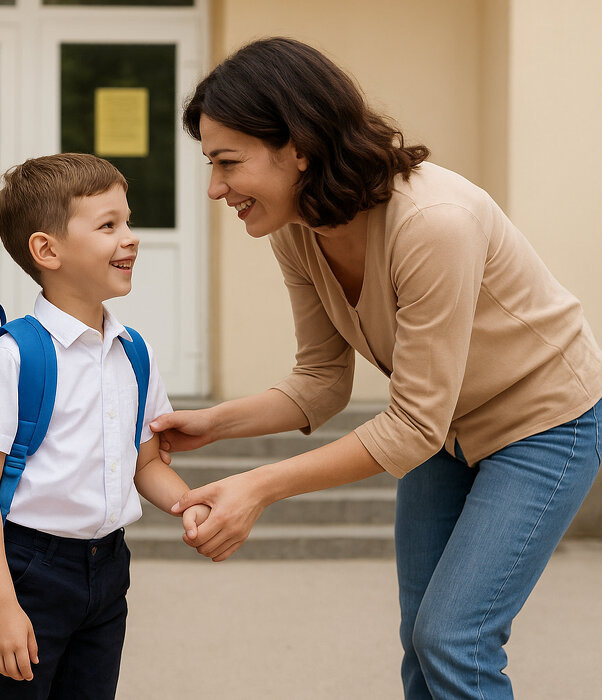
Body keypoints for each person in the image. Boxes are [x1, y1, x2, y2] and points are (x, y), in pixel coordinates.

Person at [152, 37, 602, 700]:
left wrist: (257, 487)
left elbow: (412, 425)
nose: (217, 188)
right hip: (441, 430)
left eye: (227, 162)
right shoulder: (296, 229)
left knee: (454, 638)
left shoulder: (433, 222)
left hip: (542, 425)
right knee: (422, 640)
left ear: (298, 146)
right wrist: (213, 425)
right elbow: (321, 383)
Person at [0, 153, 209, 698]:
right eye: (108, 225)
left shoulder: (132, 350)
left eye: (129, 221)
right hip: (30, 570)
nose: (131, 238)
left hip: (109, 567)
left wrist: (190, 505)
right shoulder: (14, 355)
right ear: (48, 251)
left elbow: (146, 464)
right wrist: (0, 604)